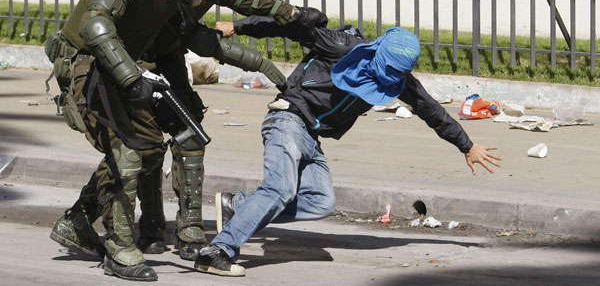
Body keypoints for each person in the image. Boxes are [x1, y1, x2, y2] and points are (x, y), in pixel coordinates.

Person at [44, 0, 325, 282]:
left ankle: (85, 221)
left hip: (131, 65)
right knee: (127, 152)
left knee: (150, 147)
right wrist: (132, 79)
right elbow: (96, 26)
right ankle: (120, 248)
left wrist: (292, 13)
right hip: (91, 66)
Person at [193, 16, 502, 277]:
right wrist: (240, 25)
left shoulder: (401, 80)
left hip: (310, 136)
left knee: (321, 201)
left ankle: (240, 207)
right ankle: (218, 250)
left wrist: (467, 145)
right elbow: (292, 25)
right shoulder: (339, 45)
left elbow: (431, 110)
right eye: (387, 72)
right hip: (287, 119)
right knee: (280, 189)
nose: (391, 80)